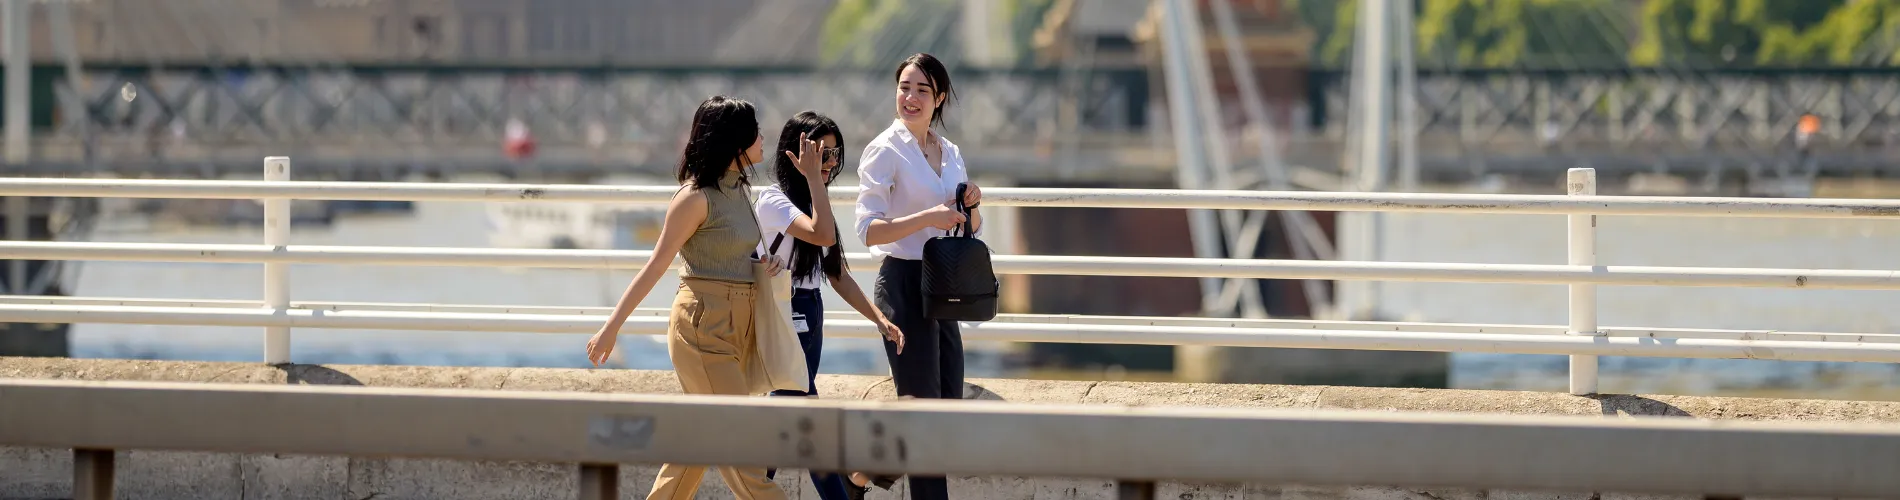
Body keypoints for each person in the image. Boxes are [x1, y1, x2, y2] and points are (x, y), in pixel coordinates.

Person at [584, 95, 785, 500]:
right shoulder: (694, 198)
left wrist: (764, 267)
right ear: (733, 142)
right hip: (702, 328)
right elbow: (656, 266)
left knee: (698, 442)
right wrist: (612, 328)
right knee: (736, 443)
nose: (763, 138)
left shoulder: (741, 190)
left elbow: (734, 253)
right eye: (753, 132)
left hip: (736, 326)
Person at [754, 111, 906, 500]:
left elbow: (837, 274)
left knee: (795, 413)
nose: (830, 163)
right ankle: (827, 490)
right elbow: (820, 235)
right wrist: (813, 179)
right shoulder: (774, 199)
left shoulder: (815, 201)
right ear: (795, 155)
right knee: (801, 413)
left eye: (834, 155)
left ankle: (760, 485)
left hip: (811, 311)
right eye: (821, 153)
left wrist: (877, 318)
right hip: (786, 311)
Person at [852, 52, 981, 500]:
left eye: (922, 90)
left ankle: (859, 477)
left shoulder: (951, 152)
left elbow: (967, 224)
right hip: (903, 285)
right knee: (924, 414)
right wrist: (927, 216)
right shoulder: (883, 150)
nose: (910, 97)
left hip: (943, 286)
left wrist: (973, 205)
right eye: (904, 87)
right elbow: (868, 230)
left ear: (939, 97)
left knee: (945, 409)